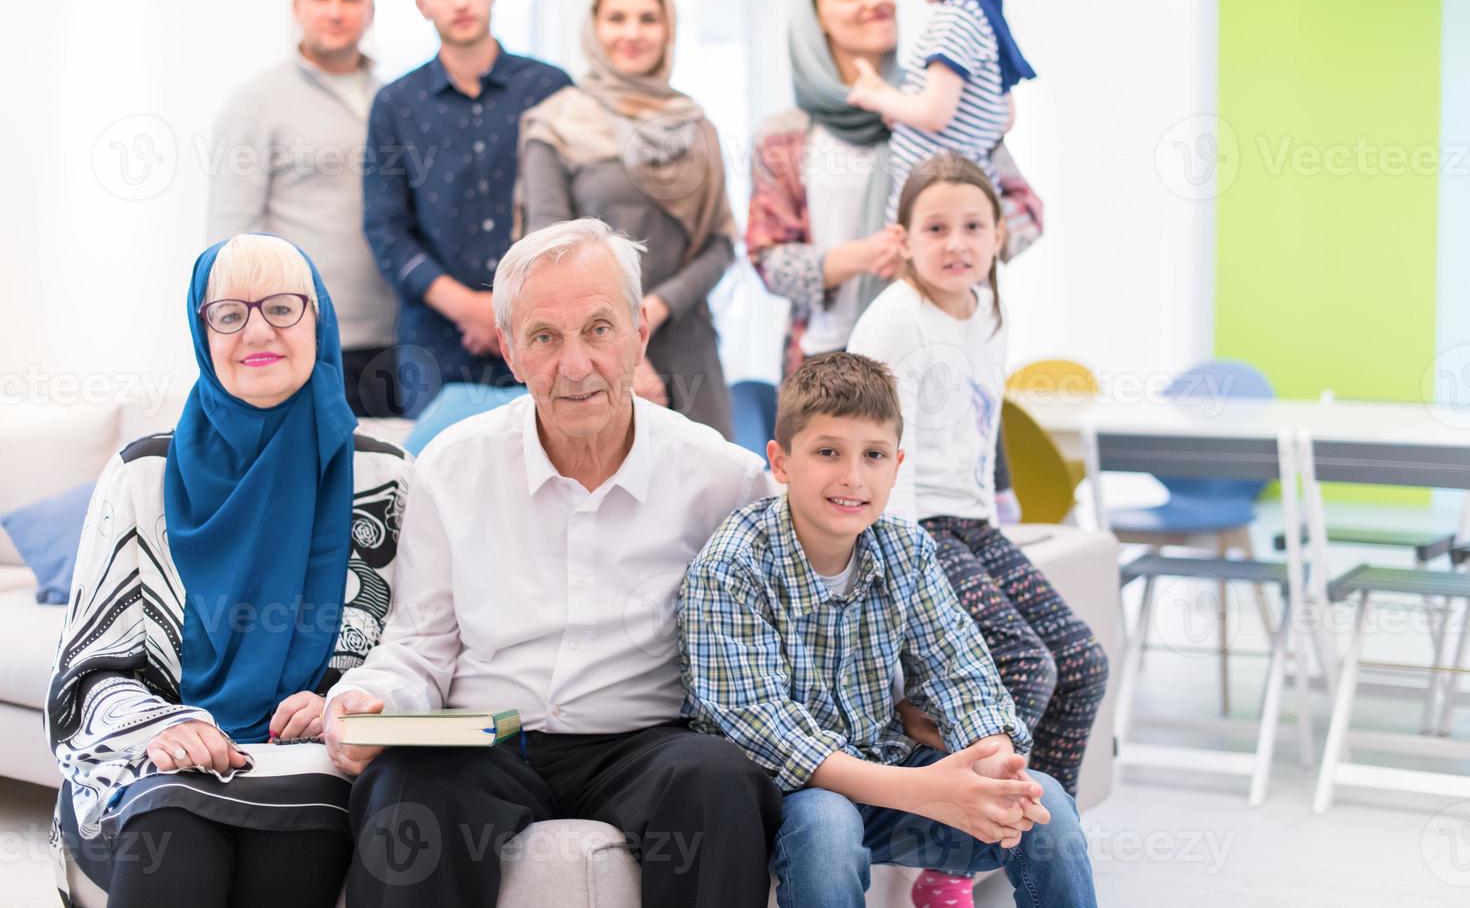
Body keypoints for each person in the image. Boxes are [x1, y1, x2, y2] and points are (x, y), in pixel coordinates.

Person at [323, 218, 782, 908]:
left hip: (647, 742)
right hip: (488, 738)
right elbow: (419, 645)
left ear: (639, 334)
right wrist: (367, 701)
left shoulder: (725, 478)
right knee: (406, 786)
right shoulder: (454, 464)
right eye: (544, 337)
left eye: (598, 329)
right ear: (510, 352)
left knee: (718, 782)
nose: (575, 365)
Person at [46, 234, 412, 908]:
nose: (257, 332)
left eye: (281, 307)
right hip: (163, 756)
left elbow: (422, 642)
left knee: (297, 837)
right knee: (169, 829)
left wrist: (344, 697)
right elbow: (92, 664)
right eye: (229, 314)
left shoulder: (384, 475)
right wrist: (163, 727)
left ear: (318, 318)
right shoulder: (140, 474)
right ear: (201, 330)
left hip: (317, 760)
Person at [679, 352, 1098, 908]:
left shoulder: (907, 549)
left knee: (1047, 804)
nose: (853, 477)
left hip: (894, 776)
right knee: (827, 828)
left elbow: (961, 671)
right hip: (791, 796)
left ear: (896, 465)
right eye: (828, 452)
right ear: (780, 462)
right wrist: (926, 788)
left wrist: (993, 759)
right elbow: (762, 729)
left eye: (873, 455)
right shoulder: (733, 566)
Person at [847, 153, 1108, 814]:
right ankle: (959, 842)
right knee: (1028, 667)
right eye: (935, 229)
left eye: (973, 227)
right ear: (903, 240)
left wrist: (1002, 505)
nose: (957, 243)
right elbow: (872, 453)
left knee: (1082, 664)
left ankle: (1043, 833)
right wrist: (903, 581)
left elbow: (978, 426)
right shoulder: (896, 321)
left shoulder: (989, 307)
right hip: (916, 532)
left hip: (973, 522)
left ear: (999, 236)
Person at [746, 0, 1041, 369]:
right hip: (828, 358)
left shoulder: (936, 103)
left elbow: (1027, 212)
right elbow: (767, 259)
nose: (878, 0)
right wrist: (863, 256)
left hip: (938, 345)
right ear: (815, 19)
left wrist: (947, 240)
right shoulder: (784, 136)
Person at [519, 0, 737, 438]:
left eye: (648, 19)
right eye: (617, 18)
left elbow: (721, 243)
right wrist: (623, 343)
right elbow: (549, 253)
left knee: (712, 502)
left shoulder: (697, 126)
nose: (632, 33)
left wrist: (653, 311)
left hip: (689, 348)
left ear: (668, 30)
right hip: (590, 354)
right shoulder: (554, 123)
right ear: (595, 27)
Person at [363, 0, 571, 416]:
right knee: (437, 484)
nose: (459, 0)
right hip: (436, 346)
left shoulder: (551, 88)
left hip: (544, 333)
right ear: (422, 4)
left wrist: (511, 313)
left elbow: (575, 218)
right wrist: (473, 310)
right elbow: (386, 229)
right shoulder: (395, 105)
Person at [207, 0, 401, 418]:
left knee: (389, 482)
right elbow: (232, 239)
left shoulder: (395, 97)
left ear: (371, 12)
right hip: (302, 340)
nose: (335, 10)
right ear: (297, 8)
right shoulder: (257, 102)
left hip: (396, 337)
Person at [843, 0, 1038, 224]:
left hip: (937, 207)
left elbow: (934, 113)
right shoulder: (985, 13)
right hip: (961, 206)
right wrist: (908, 115)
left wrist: (877, 96)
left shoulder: (954, 19)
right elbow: (1005, 116)